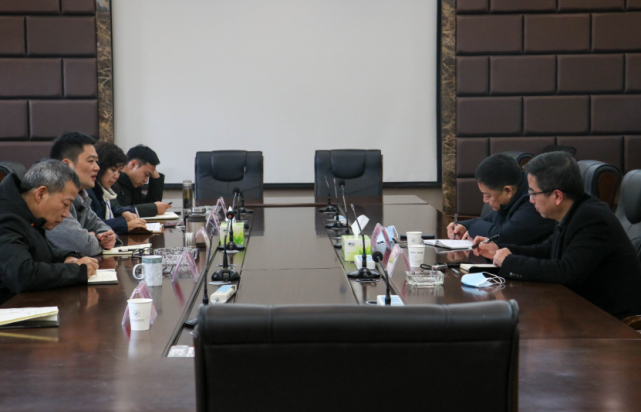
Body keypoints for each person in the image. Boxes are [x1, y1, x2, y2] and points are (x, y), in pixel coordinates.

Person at [474, 151, 641, 320]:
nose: (530, 200)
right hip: (581, 309)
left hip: (613, 322)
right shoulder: (573, 211)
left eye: (533, 193)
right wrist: (499, 250)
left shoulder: (593, 219)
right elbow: (546, 250)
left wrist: (510, 261)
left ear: (557, 196)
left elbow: (566, 271)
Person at [0, 160, 99, 305]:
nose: (66, 214)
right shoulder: (5, 218)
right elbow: (22, 275)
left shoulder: (29, 215)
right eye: (65, 204)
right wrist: (77, 270)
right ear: (41, 194)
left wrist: (67, 257)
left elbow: (38, 254)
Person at [447, 153, 555, 247]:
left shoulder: (534, 201)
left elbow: (503, 236)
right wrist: (464, 225)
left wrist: (471, 227)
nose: (484, 200)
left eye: (488, 195)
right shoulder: (515, 190)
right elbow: (489, 219)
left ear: (507, 191)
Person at [47, 132, 120, 256]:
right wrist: (94, 239)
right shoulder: (52, 196)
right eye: (91, 161)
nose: (97, 167)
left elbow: (101, 226)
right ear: (66, 165)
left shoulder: (80, 195)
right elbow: (83, 247)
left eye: (96, 161)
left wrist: (108, 238)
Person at [87, 142, 147, 235]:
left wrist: (124, 212)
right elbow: (92, 225)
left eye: (119, 171)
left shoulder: (106, 189)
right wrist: (125, 225)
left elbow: (115, 207)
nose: (116, 176)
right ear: (100, 167)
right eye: (113, 170)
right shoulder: (88, 191)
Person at [113, 145, 170, 217]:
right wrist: (153, 208)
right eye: (146, 174)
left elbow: (150, 204)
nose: (146, 180)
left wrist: (155, 176)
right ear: (133, 164)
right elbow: (117, 211)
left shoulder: (132, 185)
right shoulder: (113, 182)